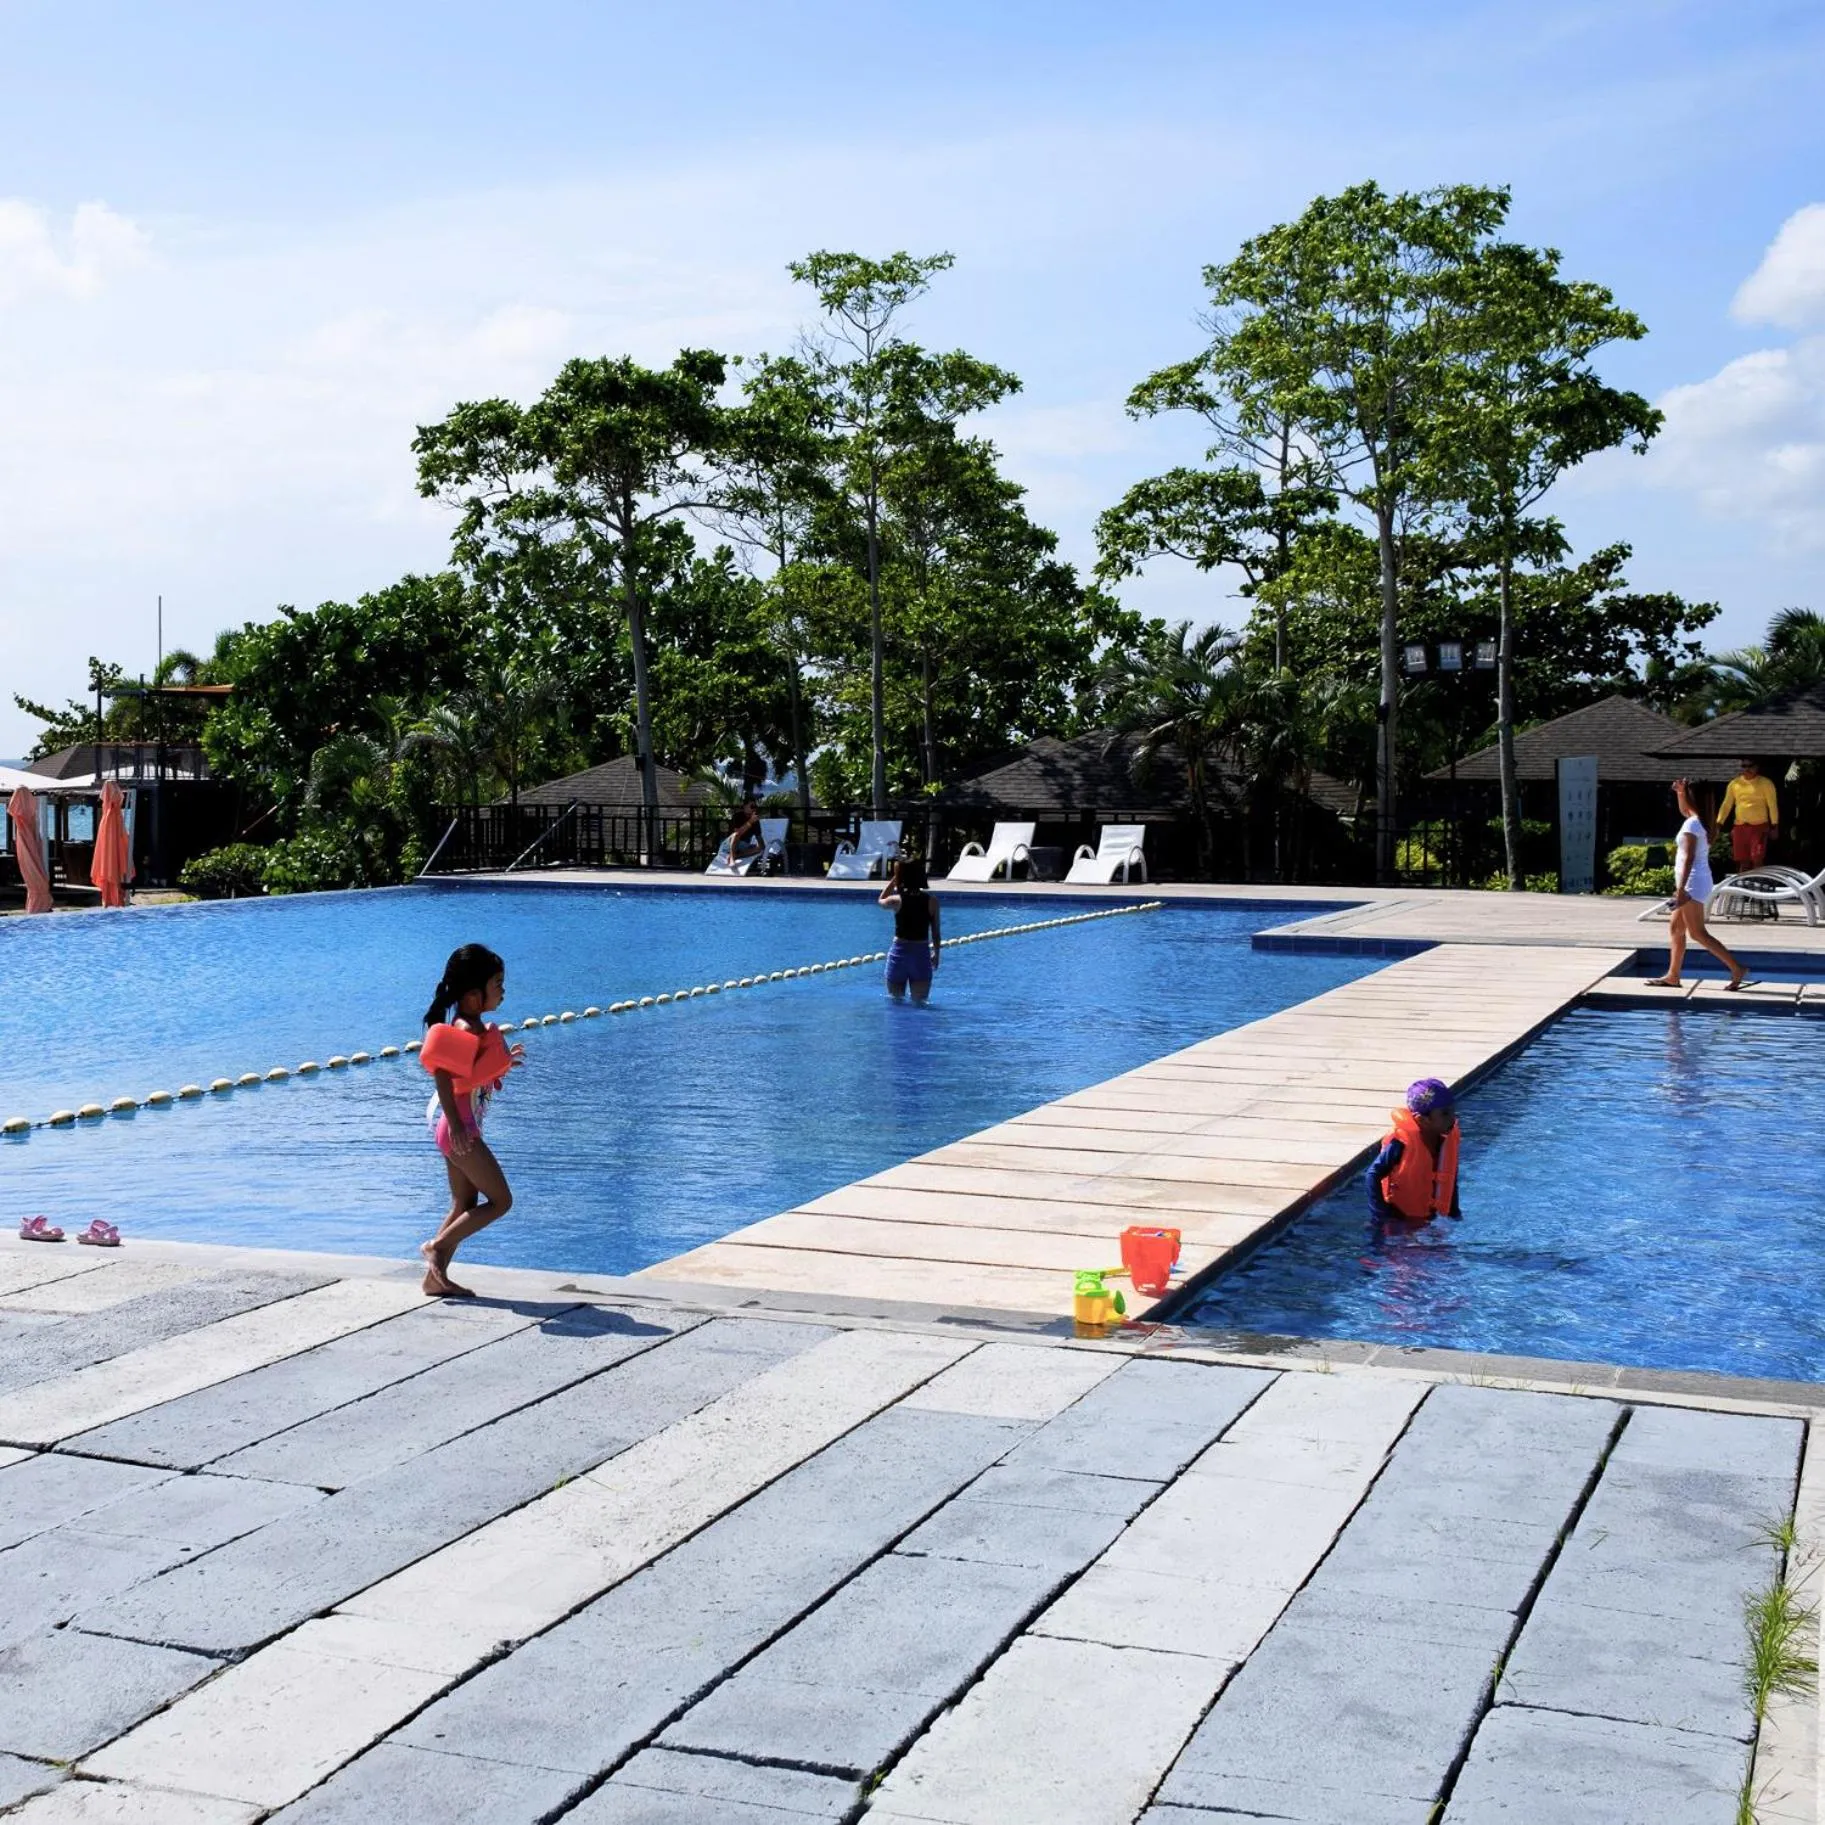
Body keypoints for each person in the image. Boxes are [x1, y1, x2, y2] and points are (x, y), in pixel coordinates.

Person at [417, 943, 525, 1297]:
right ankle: (436, 1247)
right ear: (475, 994)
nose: (503, 991)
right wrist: (459, 1126)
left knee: (464, 1204)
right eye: (498, 984)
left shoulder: (475, 1025)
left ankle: (436, 1278)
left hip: (459, 1126)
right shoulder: (466, 1028)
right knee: (501, 1201)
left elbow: (474, 1075)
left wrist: (506, 1063)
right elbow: (443, 1077)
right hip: (458, 1127)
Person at [1648, 778, 1749, 991]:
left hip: (1692, 882)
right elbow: (1686, 811)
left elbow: (1689, 857)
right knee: (1676, 929)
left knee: (1697, 932)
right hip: (1697, 880)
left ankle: (1737, 968)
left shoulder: (1693, 825)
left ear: (1696, 799)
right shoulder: (1702, 820)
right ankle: (1673, 976)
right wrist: (1681, 793)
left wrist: (1681, 889)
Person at [1366, 1078, 1462, 1224]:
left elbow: (1450, 1177)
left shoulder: (1447, 1138)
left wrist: (1454, 1212)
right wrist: (1382, 1215)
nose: (1452, 1118)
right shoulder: (1400, 1142)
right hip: (1399, 1218)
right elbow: (1372, 1174)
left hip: (1431, 1219)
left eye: (1452, 1111)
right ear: (1422, 1119)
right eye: (1445, 1114)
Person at [879, 856, 941, 1003]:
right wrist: (936, 954)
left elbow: (880, 900)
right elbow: (936, 933)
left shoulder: (896, 900)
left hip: (898, 956)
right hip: (920, 956)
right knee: (920, 1005)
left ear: (901, 877)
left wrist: (894, 880)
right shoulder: (932, 901)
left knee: (895, 1003)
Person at [1717, 759, 1779, 873]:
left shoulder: (1766, 783)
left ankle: (1759, 884)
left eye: (1750, 766)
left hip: (1759, 826)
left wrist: (1775, 825)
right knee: (1742, 861)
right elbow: (1727, 804)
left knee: (1757, 859)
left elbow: (1772, 805)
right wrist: (1719, 822)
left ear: (1757, 767)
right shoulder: (1734, 784)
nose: (1747, 769)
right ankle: (1743, 888)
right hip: (1740, 827)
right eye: (1744, 766)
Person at [727, 799, 764, 868]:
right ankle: (732, 858)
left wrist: (761, 846)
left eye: (755, 806)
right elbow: (737, 833)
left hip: (744, 845)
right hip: (731, 843)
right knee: (735, 835)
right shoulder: (737, 816)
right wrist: (750, 822)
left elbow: (759, 838)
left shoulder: (755, 820)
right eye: (752, 806)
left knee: (760, 848)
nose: (754, 808)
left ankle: (736, 855)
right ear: (744, 806)